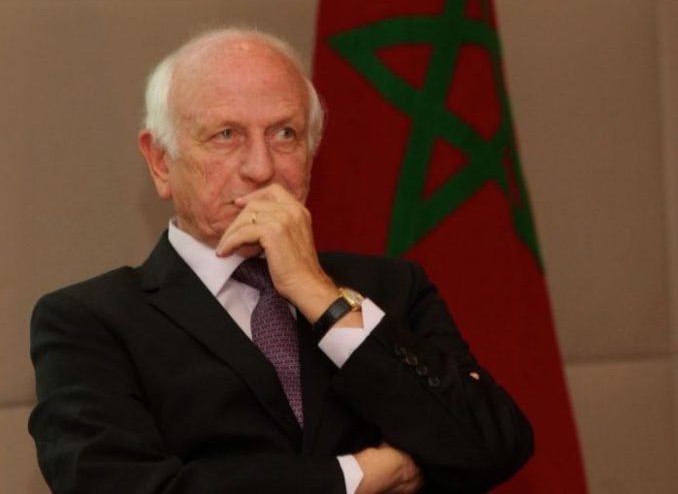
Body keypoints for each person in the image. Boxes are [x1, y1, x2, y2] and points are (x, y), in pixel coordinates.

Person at [28, 27, 533, 494]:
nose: (260, 167)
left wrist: (320, 296)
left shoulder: (394, 287)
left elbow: (491, 445)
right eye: (226, 135)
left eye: (284, 133)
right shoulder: (89, 322)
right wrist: (355, 476)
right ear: (161, 161)